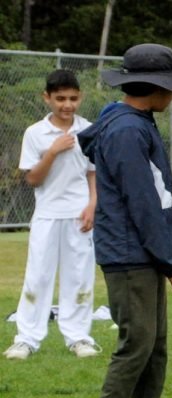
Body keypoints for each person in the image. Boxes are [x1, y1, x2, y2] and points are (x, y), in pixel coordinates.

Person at [77, 43, 172, 398]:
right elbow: (140, 202)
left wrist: (171, 222)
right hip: (130, 255)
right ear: (155, 87)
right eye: (171, 87)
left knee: (153, 345)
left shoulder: (133, 121)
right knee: (137, 343)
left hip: (141, 250)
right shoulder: (127, 131)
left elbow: (148, 196)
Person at [5, 69, 100, 361]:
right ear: (47, 98)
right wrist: (53, 151)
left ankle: (79, 337)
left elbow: (93, 173)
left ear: (80, 97)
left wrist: (92, 205)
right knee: (38, 277)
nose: (67, 105)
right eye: (60, 99)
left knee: (79, 277)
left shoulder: (89, 130)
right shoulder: (35, 133)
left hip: (79, 216)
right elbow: (33, 179)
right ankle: (26, 340)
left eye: (72, 98)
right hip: (47, 215)